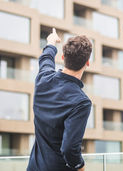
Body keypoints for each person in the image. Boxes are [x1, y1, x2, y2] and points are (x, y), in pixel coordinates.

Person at [27, 28, 92, 171]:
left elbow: (46, 58)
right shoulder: (81, 102)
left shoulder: (43, 79)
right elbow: (69, 148)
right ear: (87, 63)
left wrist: (51, 42)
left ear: (63, 58)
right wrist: (80, 167)